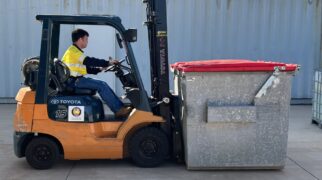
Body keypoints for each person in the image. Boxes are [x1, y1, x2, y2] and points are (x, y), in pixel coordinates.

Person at [62, 28, 132, 118]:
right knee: (101, 86)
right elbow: (90, 61)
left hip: (75, 80)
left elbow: (85, 68)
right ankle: (118, 109)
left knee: (103, 84)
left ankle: (120, 108)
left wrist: (100, 69)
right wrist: (108, 62)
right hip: (74, 82)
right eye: (86, 39)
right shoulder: (73, 52)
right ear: (80, 39)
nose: (87, 42)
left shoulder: (73, 51)